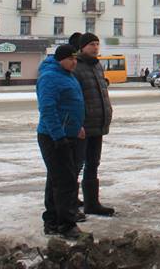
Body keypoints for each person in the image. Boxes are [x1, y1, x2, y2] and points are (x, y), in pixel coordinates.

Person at [36, 44, 86, 239]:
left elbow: (71, 105)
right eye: (70, 59)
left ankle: (52, 221)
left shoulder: (67, 75)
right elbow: (48, 110)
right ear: (60, 59)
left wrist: (77, 127)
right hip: (54, 137)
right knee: (65, 181)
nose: (74, 63)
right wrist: (59, 137)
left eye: (75, 59)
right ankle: (66, 224)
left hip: (68, 134)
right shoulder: (50, 77)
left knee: (56, 179)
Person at [70, 32, 115, 217]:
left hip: (98, 123)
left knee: (93, 164)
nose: (95, 47)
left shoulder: (97, 65)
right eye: (91, 45)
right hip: (83, 126)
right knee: (76, 165)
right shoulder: (76, 67)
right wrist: (76, 123)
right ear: (82, 47)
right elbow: (74, 97)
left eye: (97, 44)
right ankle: (70, 203)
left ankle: (92, 203)